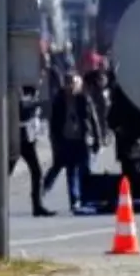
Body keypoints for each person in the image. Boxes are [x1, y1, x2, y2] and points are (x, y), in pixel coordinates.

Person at [42, 73, 102, 214]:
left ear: (79, 85)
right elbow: (54, 122)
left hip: (81, 139)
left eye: (73, 84)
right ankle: (48, 189)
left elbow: (93, 120)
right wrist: (54, 140)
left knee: (79, 170)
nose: (71, 87)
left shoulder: (84, 99)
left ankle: (80, 198)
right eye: (68, 83)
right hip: (65, 139)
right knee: (63, 168)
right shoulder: (59, 100)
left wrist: (97, 139)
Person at [9, 84, 55, 217]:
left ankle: (37, 205)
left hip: (29, 140)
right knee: (6, 173)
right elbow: (21, 110)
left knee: (37, 172)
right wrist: (35, 105)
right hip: (17, 140)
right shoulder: (18, 90)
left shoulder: (34, 90)